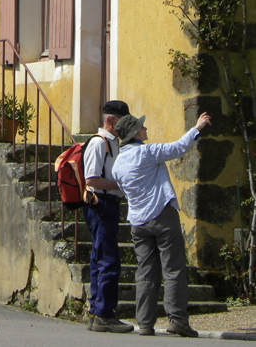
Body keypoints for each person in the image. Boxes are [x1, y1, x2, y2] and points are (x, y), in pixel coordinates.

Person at [112, 112, 212, 338]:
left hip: (138, 220)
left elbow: (122, 187)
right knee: (173, 268)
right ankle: (177, 319)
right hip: (161, 214)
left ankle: (145, 322)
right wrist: (197, 128)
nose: (145, 129)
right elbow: (177, 148)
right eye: (142, 127)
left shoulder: (118, 164)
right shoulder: (146, 152)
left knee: (145, 272)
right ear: (135, 133)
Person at [84, 100, 134, 333]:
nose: (124, 126)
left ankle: (97, 312)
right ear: (110, 120)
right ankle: (104, 313)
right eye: (122, 121)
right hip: (102, 204)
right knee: (108, 259)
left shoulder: (112, 143)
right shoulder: (98, 143)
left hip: (108, 204)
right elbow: (91, 179)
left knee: (100, 257)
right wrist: (121, 184)